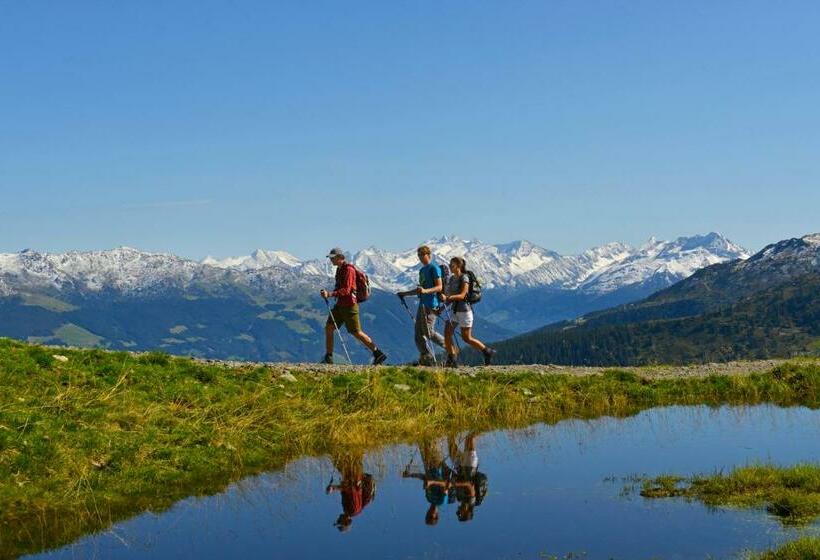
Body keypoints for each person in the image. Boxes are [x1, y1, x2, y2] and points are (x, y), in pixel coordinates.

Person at [320, 248, 387, 365]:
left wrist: (330, 294)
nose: (331, 259)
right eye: (330, 257)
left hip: (350, 305)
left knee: (356, 331)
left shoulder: (349, 270)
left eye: (333, 257)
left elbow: (347, 290)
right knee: (329, 327)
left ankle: (378, 353)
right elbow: (340, 288)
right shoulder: (339, 270)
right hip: (340, 304)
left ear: (340, 257)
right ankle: (328, 356)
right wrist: (330, 294)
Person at [441, 256, 496, 367]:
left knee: (466, 338)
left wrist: (447, 298)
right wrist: (441, 308)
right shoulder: (452, 279)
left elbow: (462, 295)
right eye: (450, 265)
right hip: (455, 310)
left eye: (452, 265)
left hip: (465, 311)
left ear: (458, 266)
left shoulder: (464, 278)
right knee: (447, 333)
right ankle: (452, 358)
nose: (450, 267)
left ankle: (487, 351)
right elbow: (451, 297)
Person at [396, 245, 446, 366]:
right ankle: (426, 358)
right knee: (418, 334)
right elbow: (420, 289)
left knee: (428, 332)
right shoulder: (422, 270)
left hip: (431, 304)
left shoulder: (434, 268)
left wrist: (425, 291)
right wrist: (405, 294)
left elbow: (439, 287)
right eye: (419, 255)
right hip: (422, 303)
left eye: (422, 254)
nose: (420, 257)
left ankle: (449, 347)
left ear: (429, 255)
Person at [402, 439, 453, 526]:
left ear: (427, 513)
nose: (431, 514)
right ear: (437, 515)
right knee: (433, 441)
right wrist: (432, 482)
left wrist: (410, 475)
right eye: (433, 516)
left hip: (427, 466)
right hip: (438, 465)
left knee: (424, 442)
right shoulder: (442, 501)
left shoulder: (428, 498)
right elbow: (446, 484)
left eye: (429, 515)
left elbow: (425, 478)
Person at [326, 449, 376, 532]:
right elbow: (351, 489)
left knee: (339, 460)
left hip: (351, 476)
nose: (338, 519)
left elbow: (345, 491)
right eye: (339, 521)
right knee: (354, 452)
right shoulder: (353, 510)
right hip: (354, 476)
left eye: (338, 521)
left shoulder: (347, 509)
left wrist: (336, 487)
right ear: (346, 521)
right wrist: (333, 488)